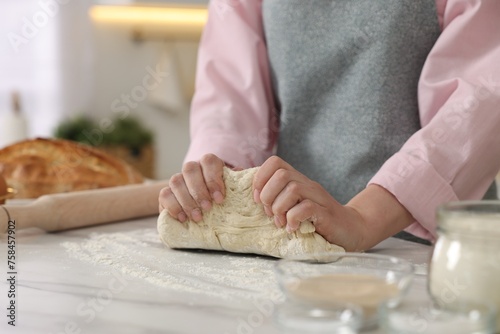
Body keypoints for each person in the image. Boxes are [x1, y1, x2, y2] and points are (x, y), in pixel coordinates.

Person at [158, 0, 500, 252]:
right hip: (295, 242)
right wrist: (214, 184)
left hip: (442, 253)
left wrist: (365, 219)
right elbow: (230, 91)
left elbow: (482, 100)